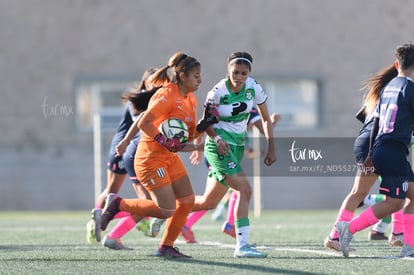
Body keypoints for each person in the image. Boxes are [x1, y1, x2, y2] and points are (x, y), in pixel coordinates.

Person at [97, 52, 218, 259]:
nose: (200, 80)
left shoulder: (190, 98)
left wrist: (206, 124)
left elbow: (187, 136)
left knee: (187, 200)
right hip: (150, 159)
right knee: (166, 209)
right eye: (196, 76)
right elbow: (144, 122)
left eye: (200, 75)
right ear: (182, 76)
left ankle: (165, 247)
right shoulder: (166, 94)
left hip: (169, 158)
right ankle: (118, 204)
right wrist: (143, 141)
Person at [187, 51, 277, 258]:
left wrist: (272, 147)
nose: (239, 77)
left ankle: (162, 210)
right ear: (228, 70)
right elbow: (204, 123)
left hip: (236, 148)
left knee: (208, 203)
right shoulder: (217, 91)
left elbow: (265, 118)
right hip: (218, 147)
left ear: (249, 74)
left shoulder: (254, 88)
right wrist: (214, 140)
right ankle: (242, 246)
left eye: (243, 73)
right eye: (235, 72)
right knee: (245, 190)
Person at [336, 43, 414, 258]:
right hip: (393, 150)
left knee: (413, 195)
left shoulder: (387, 88)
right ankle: (348, 229)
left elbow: (376, 122)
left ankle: (409, 246)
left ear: (397, 63)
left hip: (381, 148)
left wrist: (371, 153)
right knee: (394, 202)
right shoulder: (410, 89)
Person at [180, 108, 280, 243]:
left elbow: (253, 143)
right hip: (218, 153)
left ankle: (183, 218)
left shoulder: (247, 120)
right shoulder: (232, 102)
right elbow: (204, 123)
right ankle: (230, 226)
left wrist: (257, 150)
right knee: (241, 189)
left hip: (229, 157)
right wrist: (198, 147)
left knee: (210, 200)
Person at [86, 68, 157, 247]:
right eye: (153, 81)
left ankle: (100, 217)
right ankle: (100, 218)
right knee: (116, 191)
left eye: (160, 81)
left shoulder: (154, 98)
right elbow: (141, 124)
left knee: (142, 198)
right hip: (125, 149)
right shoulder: (139, 99)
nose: (157, 84)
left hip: (134, 149)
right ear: (146, 82)